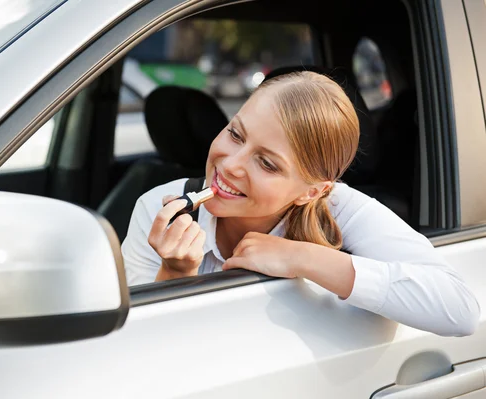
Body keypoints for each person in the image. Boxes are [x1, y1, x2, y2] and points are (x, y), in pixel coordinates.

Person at [121, 71, 480, 336]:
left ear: (312, 191)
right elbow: (137, 350)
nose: (229, 165)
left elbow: (460, 310)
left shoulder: (340, 208)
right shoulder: (161, 207)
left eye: (267, 163)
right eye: (235, 134)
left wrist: (301, 257)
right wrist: (175, 274)